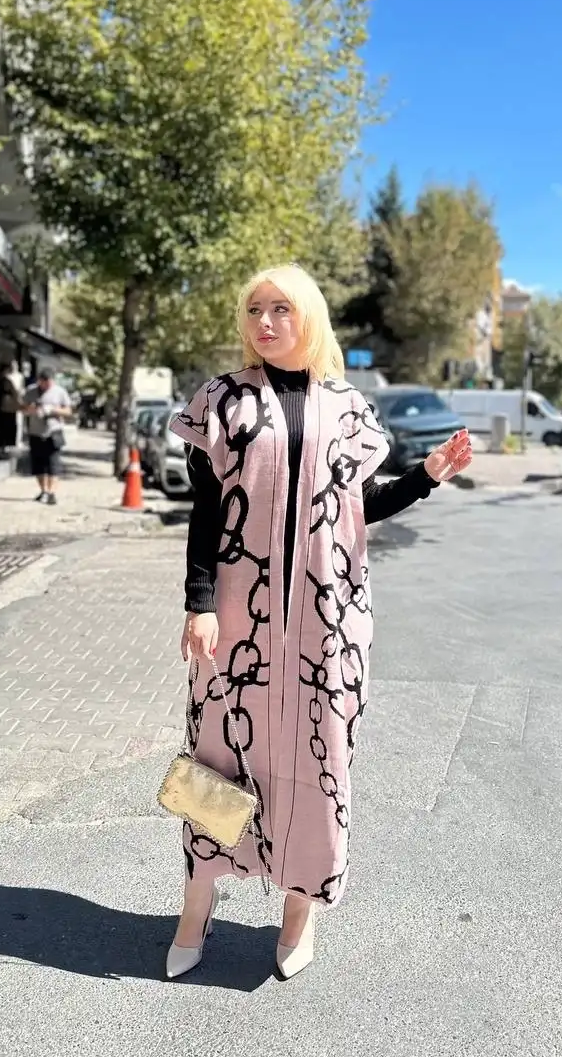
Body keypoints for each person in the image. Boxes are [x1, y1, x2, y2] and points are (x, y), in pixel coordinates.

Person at [166, 265, 473, 982]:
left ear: (309, 317)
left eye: (282, 309)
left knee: (319, 762)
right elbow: (205, 515)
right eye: (255, 309)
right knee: (216, 757)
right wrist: (199, 602)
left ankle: (300, 913)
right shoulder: (222, 401)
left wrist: (426, 475)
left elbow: (360, 508)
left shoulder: (348, 407)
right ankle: (196, 905)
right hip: (238, 620)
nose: (266, 322)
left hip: (325, 624)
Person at [21, 368, 72, 505]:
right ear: (39, 381)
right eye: (44, 383)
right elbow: (22, 407)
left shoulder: (60, 392)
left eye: (49, 383)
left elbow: (68, 411)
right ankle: (43, 490)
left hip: (54, 431)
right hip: (35, 431)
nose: (46, 386)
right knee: (39, 464)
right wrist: (32, 410)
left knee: (53, 464)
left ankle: (52, 492)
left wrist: (53, 410)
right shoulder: (31, 391)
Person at [0, 360, 22, 457]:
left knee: (1, 429)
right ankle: (4, 447)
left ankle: (1, 447)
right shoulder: (6, 380)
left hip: (2, 407)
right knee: (6, 428)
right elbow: (14, 393)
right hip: (7, 407)